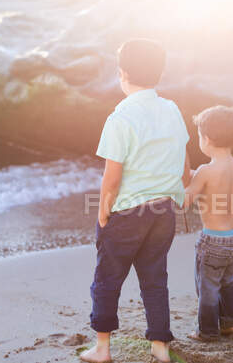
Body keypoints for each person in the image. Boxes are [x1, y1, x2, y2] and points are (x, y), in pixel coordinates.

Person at [80, 39, 190, 363]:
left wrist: (103, 213)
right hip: (163, 210)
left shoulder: (120, 117)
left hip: (127, 213)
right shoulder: (171, 109)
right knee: (155, 280)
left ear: (123, 74)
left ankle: (102, 348)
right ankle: (160, 347)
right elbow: (184, 163)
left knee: (107, 279)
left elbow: (111, 178)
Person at [183, 105, 233, 341]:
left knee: (207, 286)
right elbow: (205, 184)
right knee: (228, 280)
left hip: (213, 240)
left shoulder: (206, 171)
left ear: (206, 139)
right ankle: (232, 321)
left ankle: (207, 330)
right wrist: (192, 176)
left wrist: (176, 185)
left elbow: (186, 200)